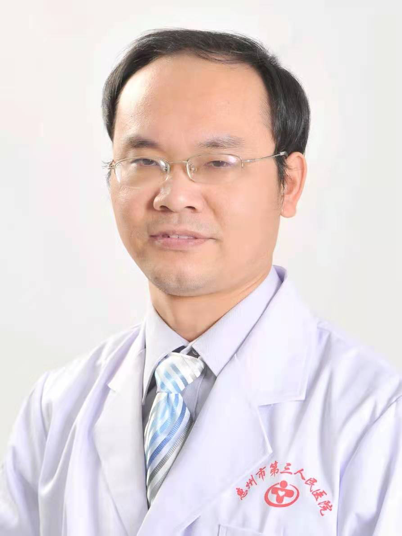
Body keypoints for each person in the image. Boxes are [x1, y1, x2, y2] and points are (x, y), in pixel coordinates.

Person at [1, 28, 401, 536]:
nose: (174, 195)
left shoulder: (375, 417)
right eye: (145, 161)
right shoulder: (56, 408)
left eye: (216, 162)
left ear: (289, 183)